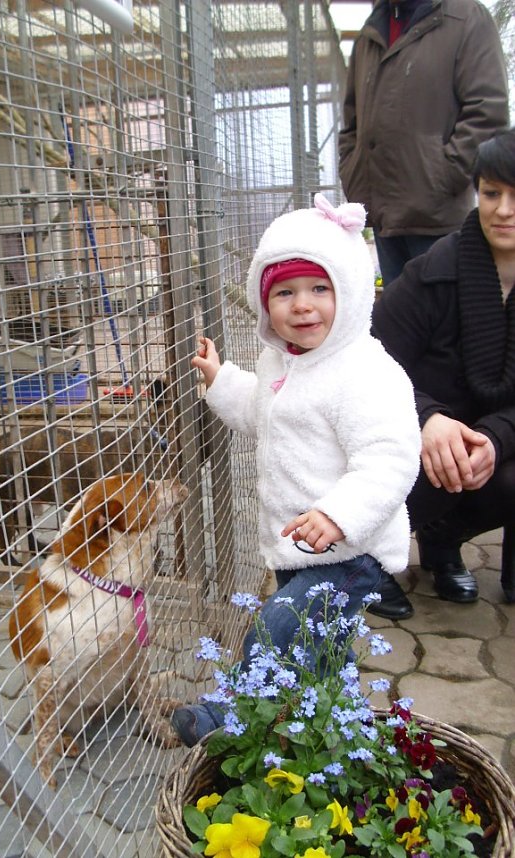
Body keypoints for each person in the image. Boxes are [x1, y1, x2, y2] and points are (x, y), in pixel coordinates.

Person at [171, 194, 421, 746]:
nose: (302, 306)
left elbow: (392, 458)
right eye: (284, 293)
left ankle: (226, 714)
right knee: (321, 658)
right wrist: (220, 381)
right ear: (266, 305)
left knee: (278, 630)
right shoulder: (282, 363)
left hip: (351, 552)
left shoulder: (365, 373)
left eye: (320, 289)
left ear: (350, 294)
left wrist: (338, 515)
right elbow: (262, 411)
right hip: (296, 549)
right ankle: (340, 741)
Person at [369, 127, 515, 621]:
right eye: (491, 193)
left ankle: (443, 540)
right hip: (416, 444)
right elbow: (369, 358)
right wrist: (426, 418)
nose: (502, 210)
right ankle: (366, 557)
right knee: (423, 457)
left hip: (486, 449)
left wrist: (495, 438)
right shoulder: (434, 270)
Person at [338, 0, 509, 287]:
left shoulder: (464, 18)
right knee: (399, 325)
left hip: (438, 221)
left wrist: (443, 178)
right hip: (383, 218)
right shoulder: (370, 33)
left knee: (447, 324)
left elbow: (487, 114)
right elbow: (352, 123)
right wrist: (354, 176)